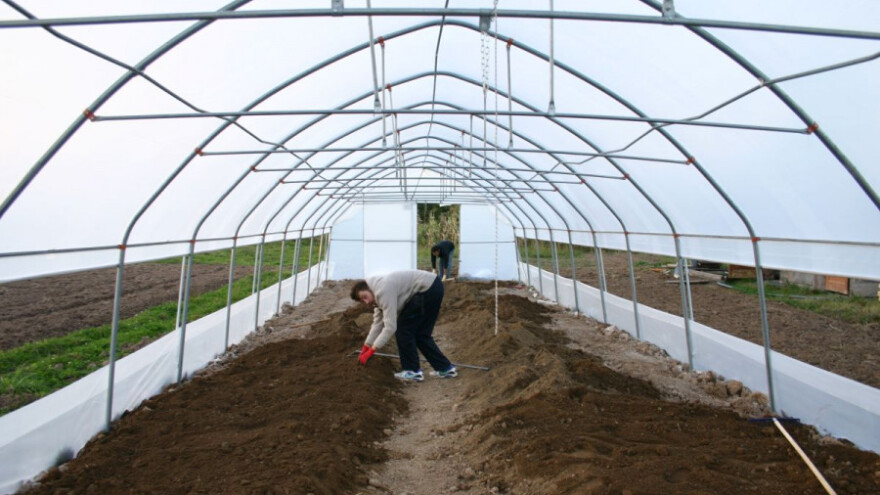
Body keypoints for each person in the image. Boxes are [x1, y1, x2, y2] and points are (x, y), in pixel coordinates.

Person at [351, 270, 457, 382]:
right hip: (433, 287)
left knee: (403, 329)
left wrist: (372, 350)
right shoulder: (377, 296)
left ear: (369, 289)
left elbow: (390, 327)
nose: (366, 302)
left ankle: (412, 371)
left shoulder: (383, 290)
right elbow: (378, 323)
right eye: (362, 301)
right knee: (421, 334)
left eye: (365, 296)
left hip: (426, 289)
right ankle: (445, 368)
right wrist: (366, 346)